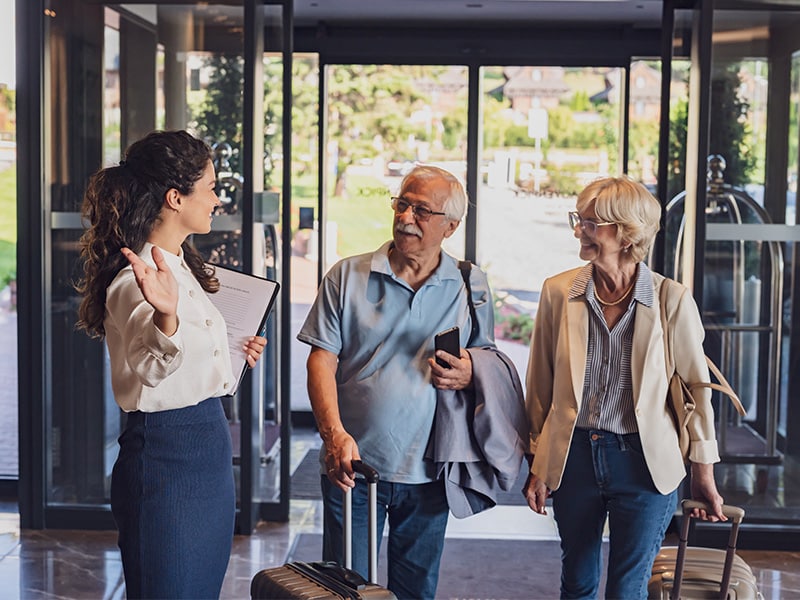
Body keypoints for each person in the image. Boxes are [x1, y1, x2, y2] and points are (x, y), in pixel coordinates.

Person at [75, 130, 267, 599]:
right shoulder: (135, 278)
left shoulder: (181, 266)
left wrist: (231, 353)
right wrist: (165, 314)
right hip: (166, 458)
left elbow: (185, 360)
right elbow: (149, 368)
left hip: (207, 449)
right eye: (210, 187)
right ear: (175, 197)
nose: (217, 199)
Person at [297, 165, 497, 599]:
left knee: (416, 591)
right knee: (346, 591)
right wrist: (333, 437)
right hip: (352, 467)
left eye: (422, 210)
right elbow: (320, 360)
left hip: (430, 470)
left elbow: (487, 359)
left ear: (451, 226)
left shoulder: (469, 282)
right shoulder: (347, 276)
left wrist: (470, 370)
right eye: (401, 204)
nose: (406, 217)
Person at [523, 176, 726, 599]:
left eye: (592, 223)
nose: (580, 229)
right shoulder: (558, 292)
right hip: (574, 458)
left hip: (644, 464)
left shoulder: (671, 300)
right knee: (576, 581)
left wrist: (703, 470)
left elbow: (696, 388)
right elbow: (540, 383)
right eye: (579, 219)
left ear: (627, 232)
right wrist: (537, 461)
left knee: (626, 588)